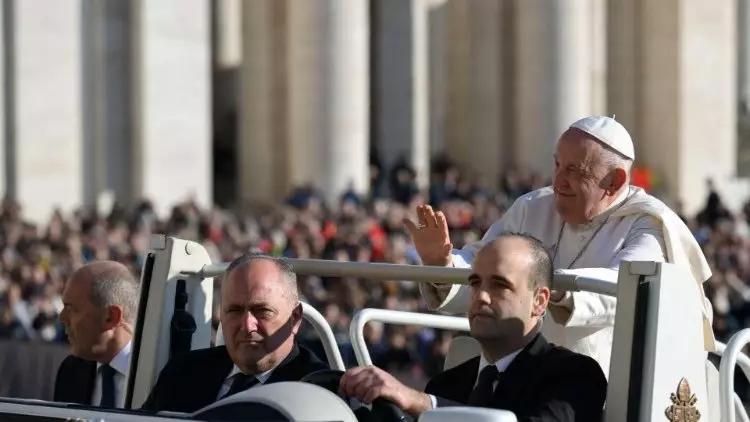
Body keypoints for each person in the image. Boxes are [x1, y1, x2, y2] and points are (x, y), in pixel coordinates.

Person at [408, 115, 715, 375]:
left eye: (574, 171)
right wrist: (442, 264)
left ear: (615, 182)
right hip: (515, 370)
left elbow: (628, 284)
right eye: (557, 165)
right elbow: (483, 270)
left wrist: (552, 288)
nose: (558, 181)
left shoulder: (648, 223)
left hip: (599, 382)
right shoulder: (532, 207)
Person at [340, 234, 607, 421]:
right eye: (475, 283)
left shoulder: (575, 376)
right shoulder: (447, 383)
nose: (481, 296)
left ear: (539, 302)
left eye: (500, 285)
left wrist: (424, 404)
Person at [141, 253, 328, 413]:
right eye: (235, 311)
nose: (247, 325)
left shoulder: (319, 392)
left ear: (294, 318)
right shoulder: (181, 374)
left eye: (262, 311)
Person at [54, 261, 140, 408]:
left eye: (72, 310)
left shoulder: (161, 378)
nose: (61, 318)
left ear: (111, 317)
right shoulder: (72, 371)